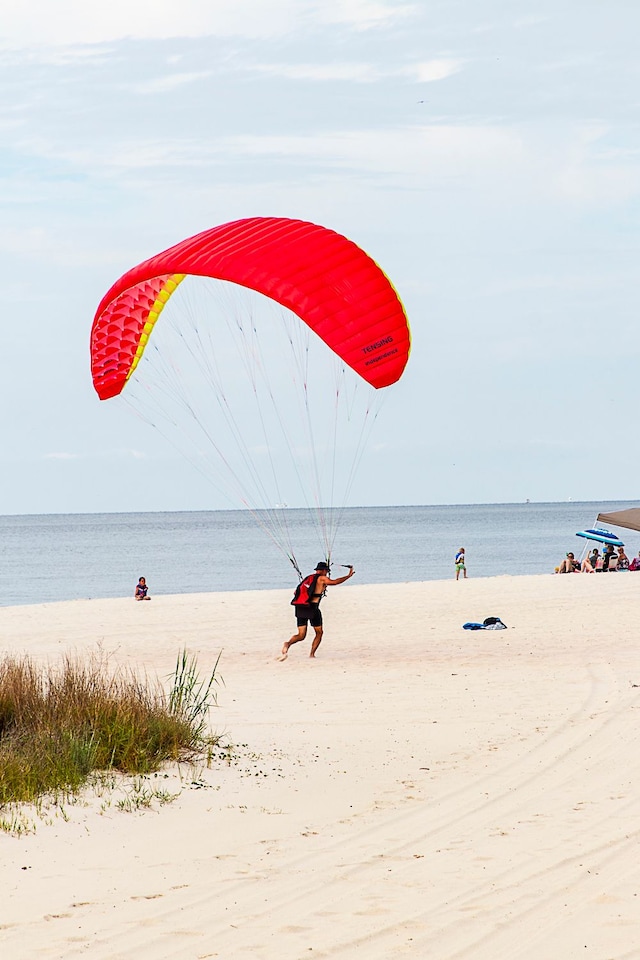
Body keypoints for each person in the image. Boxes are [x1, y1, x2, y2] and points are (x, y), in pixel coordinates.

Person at [279, 561, 355, 661]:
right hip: (312, 608)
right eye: (326, 571)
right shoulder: (322, 578)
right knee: (319, 632)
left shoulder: (308, 578)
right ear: (324, 571)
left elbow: (297, 591)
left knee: (301, 635)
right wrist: (348, 576)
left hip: (300, 607)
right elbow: (335, 582)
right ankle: (312, 654)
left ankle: (287, 644)